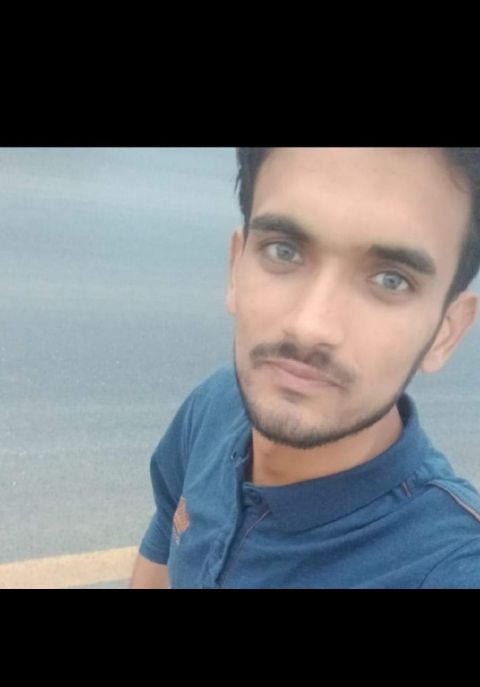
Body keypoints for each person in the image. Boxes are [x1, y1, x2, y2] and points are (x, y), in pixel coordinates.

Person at [130, 147, 480, 589]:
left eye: (390, 280)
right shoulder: (214, 406)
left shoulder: (450, 569)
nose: (310, 326)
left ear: (446, 331)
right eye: (284, 251)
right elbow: (162, 550)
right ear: (236, 267)